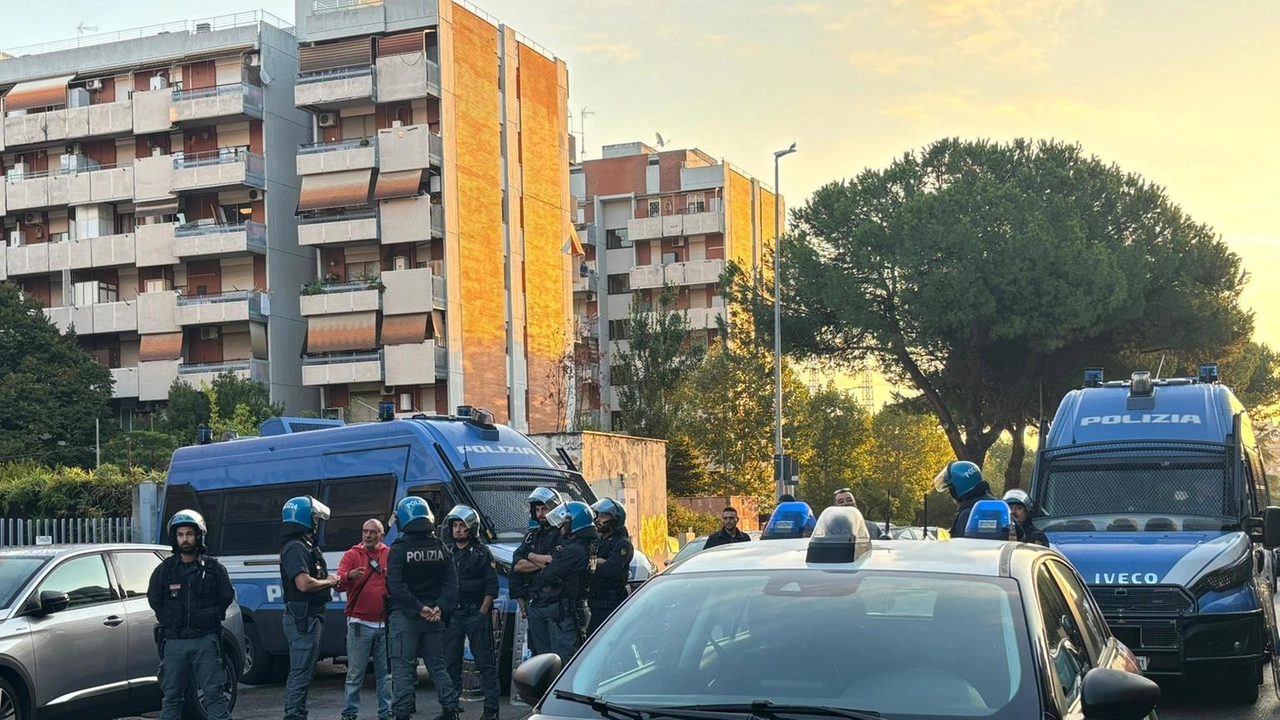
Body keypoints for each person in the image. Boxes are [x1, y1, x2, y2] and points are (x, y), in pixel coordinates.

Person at [147, 510, 235, 720]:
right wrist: (170, 619)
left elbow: (225, 597)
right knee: (171, 699)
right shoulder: (164, 570)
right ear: (174, 537)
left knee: (215, 697)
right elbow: (154, 599)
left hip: (205, 640)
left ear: (199, 536)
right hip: (175, 642)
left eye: (189, 534)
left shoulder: (214, 569)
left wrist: (205, 616)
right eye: (180, 534)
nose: (184, 539)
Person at [387, 496, 461, 720]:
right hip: (434, 618)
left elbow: (395, 586)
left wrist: (418, 608)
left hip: (406, 616)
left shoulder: (399, 549)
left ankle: (402, 713)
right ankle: (451, 709)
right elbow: (452, 585)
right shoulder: (441, 547)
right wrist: (438, 608)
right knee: (438, 665)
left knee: (402, 668)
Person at [280, 496, 340, 720]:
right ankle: (294, 715)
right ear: (306, 519)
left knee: (305, 670)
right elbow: (303, 583)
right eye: (314, 518)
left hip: (308, 615)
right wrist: (330, 582)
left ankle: (298, 713)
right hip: (302, 618)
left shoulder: (304, 546)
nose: (317, 523)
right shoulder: (295, 548)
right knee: (301, 671)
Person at [442, 505, 500, 720]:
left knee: (485, 663)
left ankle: (491, 710)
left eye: (462, 526)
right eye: (455, 526)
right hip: (453, 616)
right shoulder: (447, 552)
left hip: (476, 613)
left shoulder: (482, 552)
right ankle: (450, 708)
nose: (458, 530)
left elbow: (491, 586)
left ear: (471, 528)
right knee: (451, 663)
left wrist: (482, 614)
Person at [336, 519, 392, 720]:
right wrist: (348, 577)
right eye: (365, 531)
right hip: (359, 623)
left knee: (385, 675)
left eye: (372, 532)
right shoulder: (352, 555)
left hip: (385, 625)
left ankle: (386, 713)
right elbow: (337, 583)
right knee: (355, 674)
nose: (368, 535)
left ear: (381, 536)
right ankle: (350, 713)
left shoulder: (389, 554)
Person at [535, 501, 598, 660]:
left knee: (564, 659)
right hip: (574, 608)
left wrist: (536, 560)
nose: (561, 527)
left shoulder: (574, 550)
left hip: (568, 613)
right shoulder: (585, 546)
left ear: (574, 524)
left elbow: (546, 574)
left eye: (565, 523)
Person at [512, 487, 564, 656]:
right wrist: (541, 560)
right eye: (538, 509)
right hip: (535, 604)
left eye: (545, 508)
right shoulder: (532, 535)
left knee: (561, 656)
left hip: (558, 606)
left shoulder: (564, 533)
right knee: (540, 658)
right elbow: (517, 566)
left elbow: (556, 564)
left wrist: (531, 557)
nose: (541, 513)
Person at [586, 497, 632, 635]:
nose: (598, 520)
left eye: (603, 516)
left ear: (614, 520)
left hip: (611, 604)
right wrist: (597, 561)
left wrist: (594, 564)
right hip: (594, 602)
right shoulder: (598, 541)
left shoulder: (622, 544)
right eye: (598, 515)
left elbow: (609, 569)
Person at [933, 461, 997, 539]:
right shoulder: (1001, 508)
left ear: (956, 490)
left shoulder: (967, 515)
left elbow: (958, 548)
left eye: (951, 489)